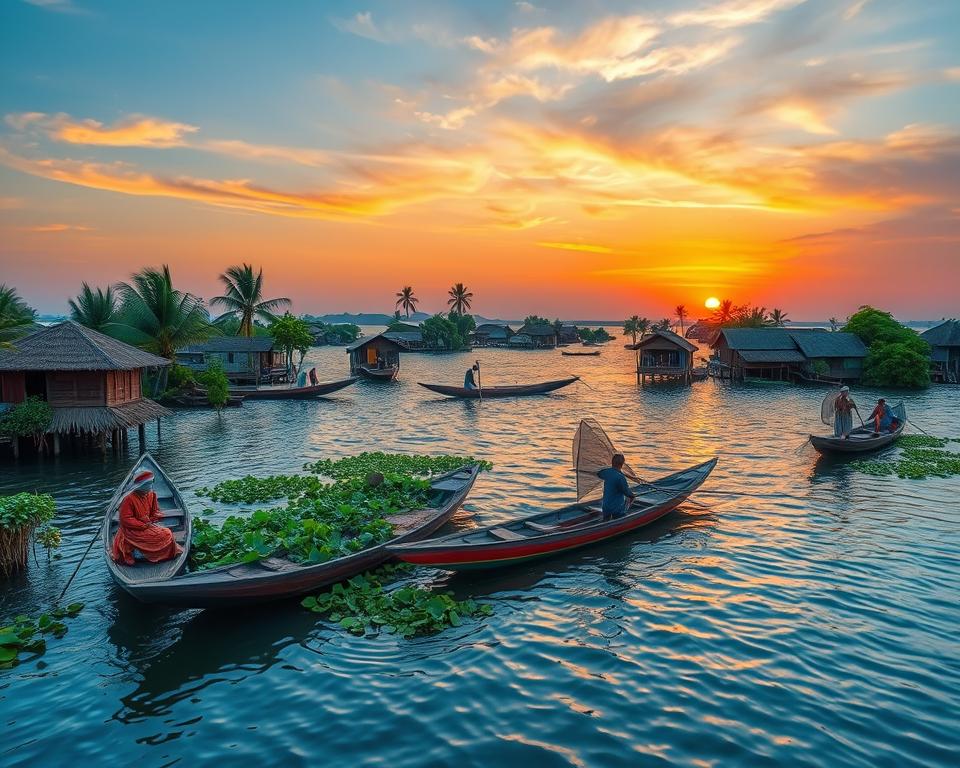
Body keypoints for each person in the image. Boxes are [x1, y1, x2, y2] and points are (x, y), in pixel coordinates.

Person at [111, 470, 182, 566]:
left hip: (147, 525)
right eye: (147, 484)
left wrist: (154, 518)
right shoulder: (128, 499)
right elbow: (125, 519)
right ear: (140, 486)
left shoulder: (152, 494)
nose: (150, 486)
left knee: (167, 533)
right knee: (165, 534)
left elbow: (155, 511)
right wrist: (143, 524)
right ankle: (148, 555)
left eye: (151, 483)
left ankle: (156, 555)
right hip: (132, 530)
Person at [597, 454, 637, 521]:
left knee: (606, 517)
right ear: (622, 464)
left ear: (612, 463)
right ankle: (621, 518)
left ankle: (606, 521)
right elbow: (627, 492)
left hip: (605, 507)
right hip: (616, 509)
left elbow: (599, 473)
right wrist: (633, 496)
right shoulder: (620, 477)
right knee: (630, 498)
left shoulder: (606, 472)